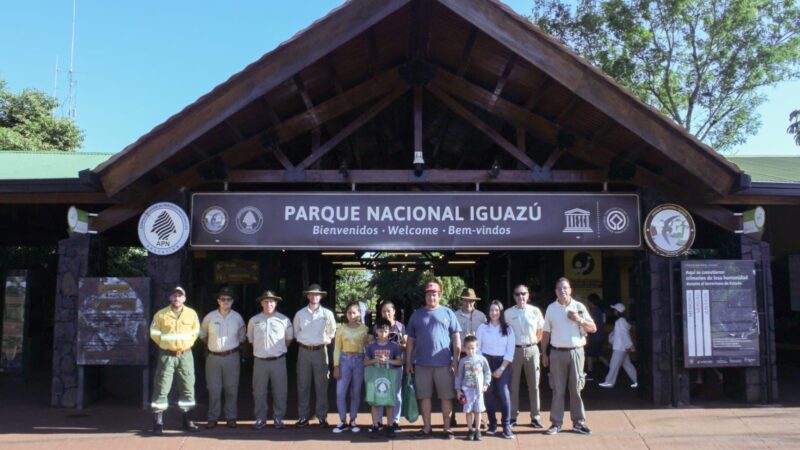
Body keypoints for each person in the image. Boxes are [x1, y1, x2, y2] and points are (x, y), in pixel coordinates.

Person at [405, 280, 462, 439]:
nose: (431, 297)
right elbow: (410, 341)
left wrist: (455, 361)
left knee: (446, 396)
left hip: (444, 363)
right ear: (425, 296)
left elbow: (456, 338)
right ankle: (427, 427)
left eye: (434, 294)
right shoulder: (416, 314)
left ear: (440, 295)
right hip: (422, 364)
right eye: (429, 294)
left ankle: (447, 428)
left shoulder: (448, 313)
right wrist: (408, 362)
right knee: (424, 396)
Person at [541, 277, 597, 435]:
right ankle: (556, 423)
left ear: (570, 290)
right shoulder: (551, 308)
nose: (562, 291)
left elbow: (593, 328)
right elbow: (546, 333)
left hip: (576, 352)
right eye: (559, 288)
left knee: (576, 389)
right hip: (557, 352)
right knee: (557, 389)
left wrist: (579, 319)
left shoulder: (579, 307)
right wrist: (544, 353)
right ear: (555, 292)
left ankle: (578, 422)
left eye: (565, 288)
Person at [149, 286, 201, 435]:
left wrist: (185, 345)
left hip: (185, 355)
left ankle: (188, 421)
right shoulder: (161, 314)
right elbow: (154, 333)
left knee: (188, 387)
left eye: (180, 296)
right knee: (161, 387)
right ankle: (158, 423)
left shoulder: (191, 314)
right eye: (174, 296)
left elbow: (195, 332)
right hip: (167, 355)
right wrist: (166, 345)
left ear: (184, 298)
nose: (177, 298)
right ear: (170, 298)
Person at [200, 286, 246, 429]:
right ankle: (213, 417)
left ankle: (231, 417)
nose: (225, 301)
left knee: (231, 388)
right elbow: (203, 335)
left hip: (232, 356)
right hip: (213, 357)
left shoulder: (238, 318)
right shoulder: (209, 317)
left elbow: (242, 338)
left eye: (228, 299)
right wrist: (213, 346)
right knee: (214, 389)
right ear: (218, 301)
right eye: (223, 299)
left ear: (232, 302)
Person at [293, 283, 337, 428]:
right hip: (304, 351)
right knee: (303, 385)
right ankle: (303, 417)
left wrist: (325, 340)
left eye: (317, 294)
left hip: (320, 351)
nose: (314, 296)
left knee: (322, 385)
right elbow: (296, 332)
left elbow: (332, 331)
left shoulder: (327, 314)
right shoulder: (300, 314)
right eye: (311, 294)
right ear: (307, 296)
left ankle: (322, 416)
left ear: (321, 296)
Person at [248, 289, 293, 430]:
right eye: (266, 301)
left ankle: (278, 418)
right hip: (260, 361)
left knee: (280, 391)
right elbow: (251, 339)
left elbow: (289, 339)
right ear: (261, 303)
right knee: (259, 392)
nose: (269, 304)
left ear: (276, 303)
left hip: (278, 360)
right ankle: (260, 418)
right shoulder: (254, 320)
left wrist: (277, 351)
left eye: (272, 301)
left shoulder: (284, 320)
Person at [504, 283, 545, 428]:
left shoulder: (535, 311)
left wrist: (532, 344)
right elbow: (504, 333)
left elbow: (541, 331)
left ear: (528, 295)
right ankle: (513, 416)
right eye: (517, 294)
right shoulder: (508, 313)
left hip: (532, 349)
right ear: (514, 296)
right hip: (515, 351)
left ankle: (535, 417)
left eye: (523, 294)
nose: (520, 296)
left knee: (534, 385)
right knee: (513, 385)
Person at [477, 300, 516, 439]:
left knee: (504, 393)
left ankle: (506, 425)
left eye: (496, 310)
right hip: (486, 362)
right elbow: (478, 348)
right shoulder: (482, 327)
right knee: (488, 394)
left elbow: (510, 351)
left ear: (501, 312)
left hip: (502, 363)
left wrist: (501, 368)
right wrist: (484, 366)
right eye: (491, 310)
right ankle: (492, 424)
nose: (494, 313)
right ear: (488, 312)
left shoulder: (508, 329)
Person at [332, 301, 369, 433]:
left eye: (354, 312)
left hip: (359, 361)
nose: (352, 315)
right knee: (340, 392)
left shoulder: (365, 329)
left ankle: (353, 420)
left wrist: (367, 361)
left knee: (355, 392)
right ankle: (342, 420)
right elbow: (337, 348)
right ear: (346, 314)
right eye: (349, 313)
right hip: (344, 361)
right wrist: (336, 366)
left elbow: (367, 347)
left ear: (359, 313)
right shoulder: (341, 330)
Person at [452, 287, 485, 427]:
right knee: (458, 384)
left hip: (476, 355)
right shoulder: (454, 315)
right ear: (462, 301)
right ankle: (452, 415)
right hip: (460, 354)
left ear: (474, 301)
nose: (468, 303)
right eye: (466, 300)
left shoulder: (481, 316)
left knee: (476, 385)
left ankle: (479, 418)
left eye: (471, 301)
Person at [365, 318, 403, 439]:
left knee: (389, 402)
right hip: (375, 377)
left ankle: (390, 425)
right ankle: (375, 425)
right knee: (375, 402)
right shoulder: (371, 347)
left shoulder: (394, 347)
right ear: (376, 331)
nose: (383, 334)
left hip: (389, 377)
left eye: (385, 332)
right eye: (381, 331)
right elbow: (365, 362)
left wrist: (388, 360)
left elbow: (399, 362)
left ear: (389, 332)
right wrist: (375, 360)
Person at [373, 300, 406, 431]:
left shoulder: (400, 327)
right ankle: (378, 421)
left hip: (395, 365)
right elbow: (369, 342)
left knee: (396, 394)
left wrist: (399, 346)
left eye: (388, 311)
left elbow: (406, 344)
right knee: (380, 391)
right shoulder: (376, 326)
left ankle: (394, 421)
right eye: (383, 311)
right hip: (379, 366)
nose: (386, 313)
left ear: (394, 312)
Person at [454, 335, 491, 441]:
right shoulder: (463, 361)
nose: (470, 351)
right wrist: (458, 390)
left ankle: (478, 430)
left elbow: (487, 372)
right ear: (464, 348)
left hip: (478, 391)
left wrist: (486, 384)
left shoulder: (481, 359)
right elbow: (459, 376)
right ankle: (470, 430)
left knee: (478, 410)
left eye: (473, 348)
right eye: (468, 348)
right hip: (467, 391)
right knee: (468, 411)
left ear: (477, 347)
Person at [599, 303, 638, 389]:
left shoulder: (619, 322)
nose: (614, 311)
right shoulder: (623, 321)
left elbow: (624, 335)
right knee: (627, 365)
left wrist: (628, 346)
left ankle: (609, 382)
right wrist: (628, 346)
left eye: (615, 310)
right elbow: (624, 334)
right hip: (623, 347)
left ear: (617, 311)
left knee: (613, 366)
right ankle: (637, 380)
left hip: (620, 347)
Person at [585, 293, 607, 380]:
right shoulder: (599, 310)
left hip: (593, 337)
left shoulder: (593, 311)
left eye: (588, 301)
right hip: (599, 336)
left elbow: (589, 323)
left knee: (589, 354)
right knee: (598, 354)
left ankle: (590, 373)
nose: (587, 302)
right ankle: (610, 367)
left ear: (591, 301)